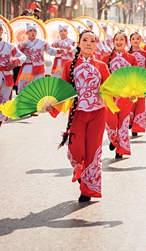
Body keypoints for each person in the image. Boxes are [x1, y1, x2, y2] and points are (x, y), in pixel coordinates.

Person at [61, 29, 110, 202]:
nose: (89, 43)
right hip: (76, 114)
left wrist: (126, 93)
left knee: (93, 151)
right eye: (85, 40)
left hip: (97, 113)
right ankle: (80, 170)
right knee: (76, 150)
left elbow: (110, 90)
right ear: (79, 43)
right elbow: (62, 91)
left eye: (92, 41)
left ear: (97, 45)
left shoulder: (102, 66)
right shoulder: (69, 65)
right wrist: (50, 103)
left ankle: (88, 189)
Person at [103, 31, 138, 159]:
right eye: (116, 39)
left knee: (123, 122)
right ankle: (114, 139)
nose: (118, 42)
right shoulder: (106, 59)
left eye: (121, 40)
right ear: (113, 42)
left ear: (125, 42)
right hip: (110, 95)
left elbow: (135, 77)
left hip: (126, 96)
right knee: (110, 121)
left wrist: (134, 92)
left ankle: (120, 150)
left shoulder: (132, 59)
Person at [17, 23, 62, 92]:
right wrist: (22, 48)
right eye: (30, 31)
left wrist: (58, 51)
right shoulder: (22, 44)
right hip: (27, 68)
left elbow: (51, 50)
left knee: (38, 88)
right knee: (24, 87)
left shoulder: (42, 43)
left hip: (39, 68)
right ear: (27, 33)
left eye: (34, 31)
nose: (33, 33)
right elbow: (17, 55)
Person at [129, 32, 146, 136]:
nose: (135, 40)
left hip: (141, 83)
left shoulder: (145, 54)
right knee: (129, 104)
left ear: (140, 40)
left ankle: (136, 127)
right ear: (130, 41)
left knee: (140, 104)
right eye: (133, 38)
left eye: (137, 38)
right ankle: (128, 122)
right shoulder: (127, 54)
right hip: (128, 83)